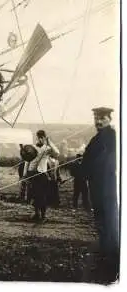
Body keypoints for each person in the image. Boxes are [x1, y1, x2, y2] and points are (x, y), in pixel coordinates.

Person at [81, 107, 118, 280]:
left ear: (109, 119)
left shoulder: (112, 137)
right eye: (96, 117)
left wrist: (86, 168)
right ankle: (105, 252)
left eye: (102, 118)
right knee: (101, 220)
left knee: (110, 219)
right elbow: (88, 160)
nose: (98, 121)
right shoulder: (97, 138)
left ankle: (113, 256)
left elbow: (104, 162)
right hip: (97, 186)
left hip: (107, 186)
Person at [26, 130, 59, 222]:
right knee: (34, 195)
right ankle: (36, 214)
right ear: (37, 137)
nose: (40, 139)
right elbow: (27, 161)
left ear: (44, 138)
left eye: (42, 137)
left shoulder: (47, 148)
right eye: (38, 137)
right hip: (32, 174)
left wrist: (49, 142)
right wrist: (25, 174)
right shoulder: (32, 147)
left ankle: (43, 216)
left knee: (42, 196)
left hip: (42, 175)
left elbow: (57, 153)